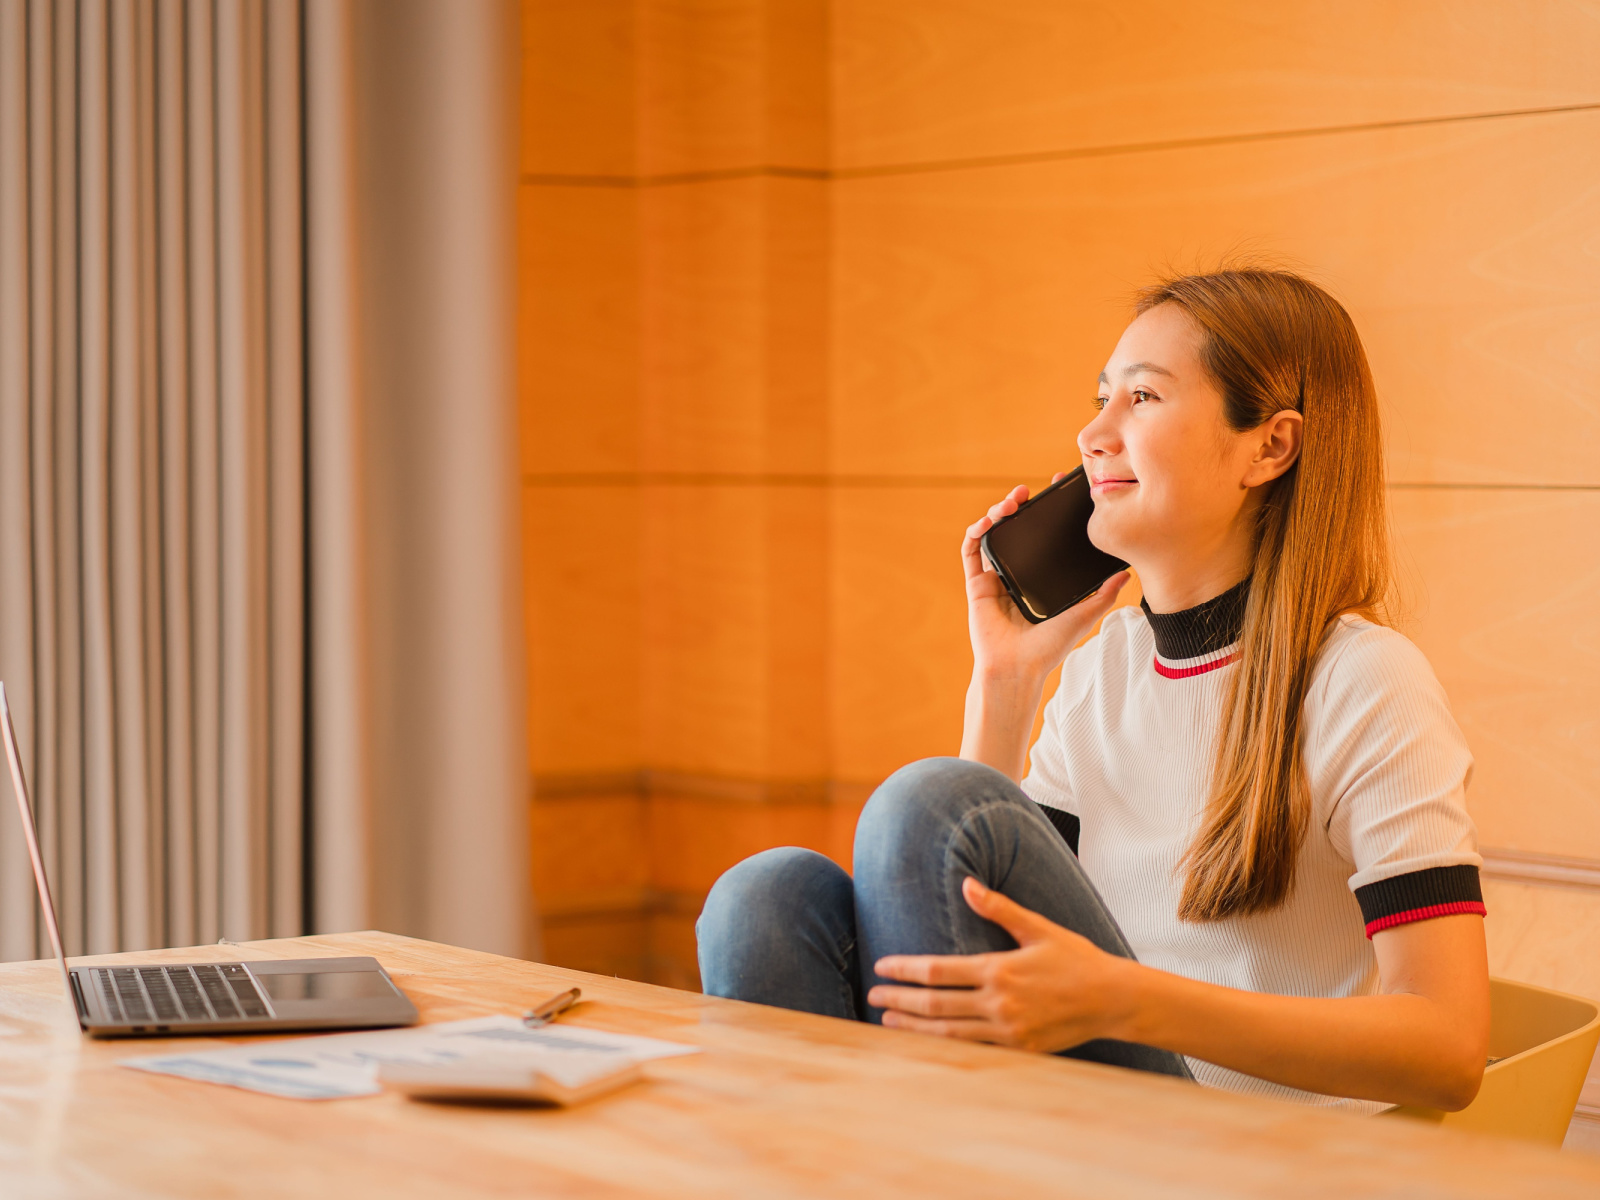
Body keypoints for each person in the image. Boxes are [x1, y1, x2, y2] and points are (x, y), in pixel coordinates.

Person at [695, 269, 1489, 1113]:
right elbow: (971, 903)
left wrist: (1127, 997)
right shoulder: (1107, 665)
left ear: (1271, 446)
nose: (1092, 433)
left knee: (929, 799)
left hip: (1246, 1152)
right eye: (1102, 397)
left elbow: (1446, 1047)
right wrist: (1005, 678)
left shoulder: (1364, 681)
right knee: (765, 900)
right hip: (1091, 1116)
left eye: (1141, 399)